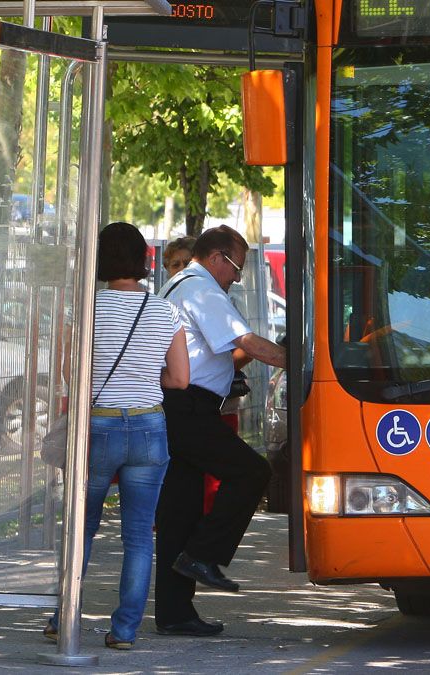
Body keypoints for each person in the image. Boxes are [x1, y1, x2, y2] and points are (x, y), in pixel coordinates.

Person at [44, 222, 189, 650]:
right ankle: (124, 631)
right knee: (140, 536)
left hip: (99, 427)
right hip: (148, 427)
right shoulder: (165, 311)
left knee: (82, 529)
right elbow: (181, 379)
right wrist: (145, 376)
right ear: (145, 260)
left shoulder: (86, 310)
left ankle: (62, 617)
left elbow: (70, 374)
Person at [154, 225, 287, 637]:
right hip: (188, 408)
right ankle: (203, 555)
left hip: (182, 406)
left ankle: (175, 613)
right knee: (252, 472)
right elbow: (249, 343)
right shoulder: (201, 289)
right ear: (216, 259)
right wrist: (305, 365)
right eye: (236, 267)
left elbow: (230, 355)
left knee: (181, 511)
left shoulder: (177, 285)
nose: (237, 278)